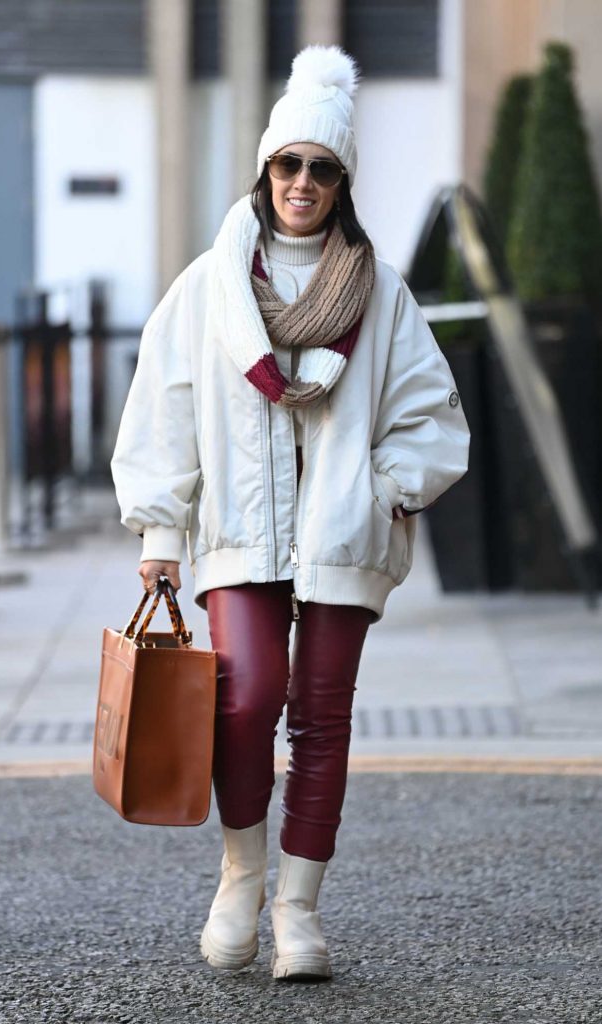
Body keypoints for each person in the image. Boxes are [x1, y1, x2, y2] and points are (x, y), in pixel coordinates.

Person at [111, 44, 470, 981]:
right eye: (288, 163)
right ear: (265, 170)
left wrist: (387, 486)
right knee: (247, 697)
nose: (301, 181)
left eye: (321, 167)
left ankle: (299, 914)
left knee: (320, 715)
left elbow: (430, 411)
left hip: (342, 534)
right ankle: (240, 877)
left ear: (340, 181)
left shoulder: (378, 293)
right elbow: (166, 404)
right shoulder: (207, 288)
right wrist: (159, 531)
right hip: (238, 530)